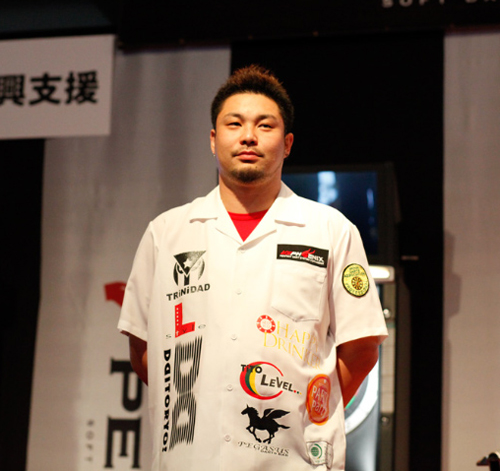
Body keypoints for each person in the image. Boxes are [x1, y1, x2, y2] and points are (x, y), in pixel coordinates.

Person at [118, 65, 388, 470]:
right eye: (234, 124)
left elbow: (362, 347)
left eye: (265, 125)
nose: (248, 136)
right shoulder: (167, 233)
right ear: (213, 140)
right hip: (189, 459)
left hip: (294, 461)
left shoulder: (331, 230)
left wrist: (306, 412)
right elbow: (144, 350)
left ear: (288, 143)